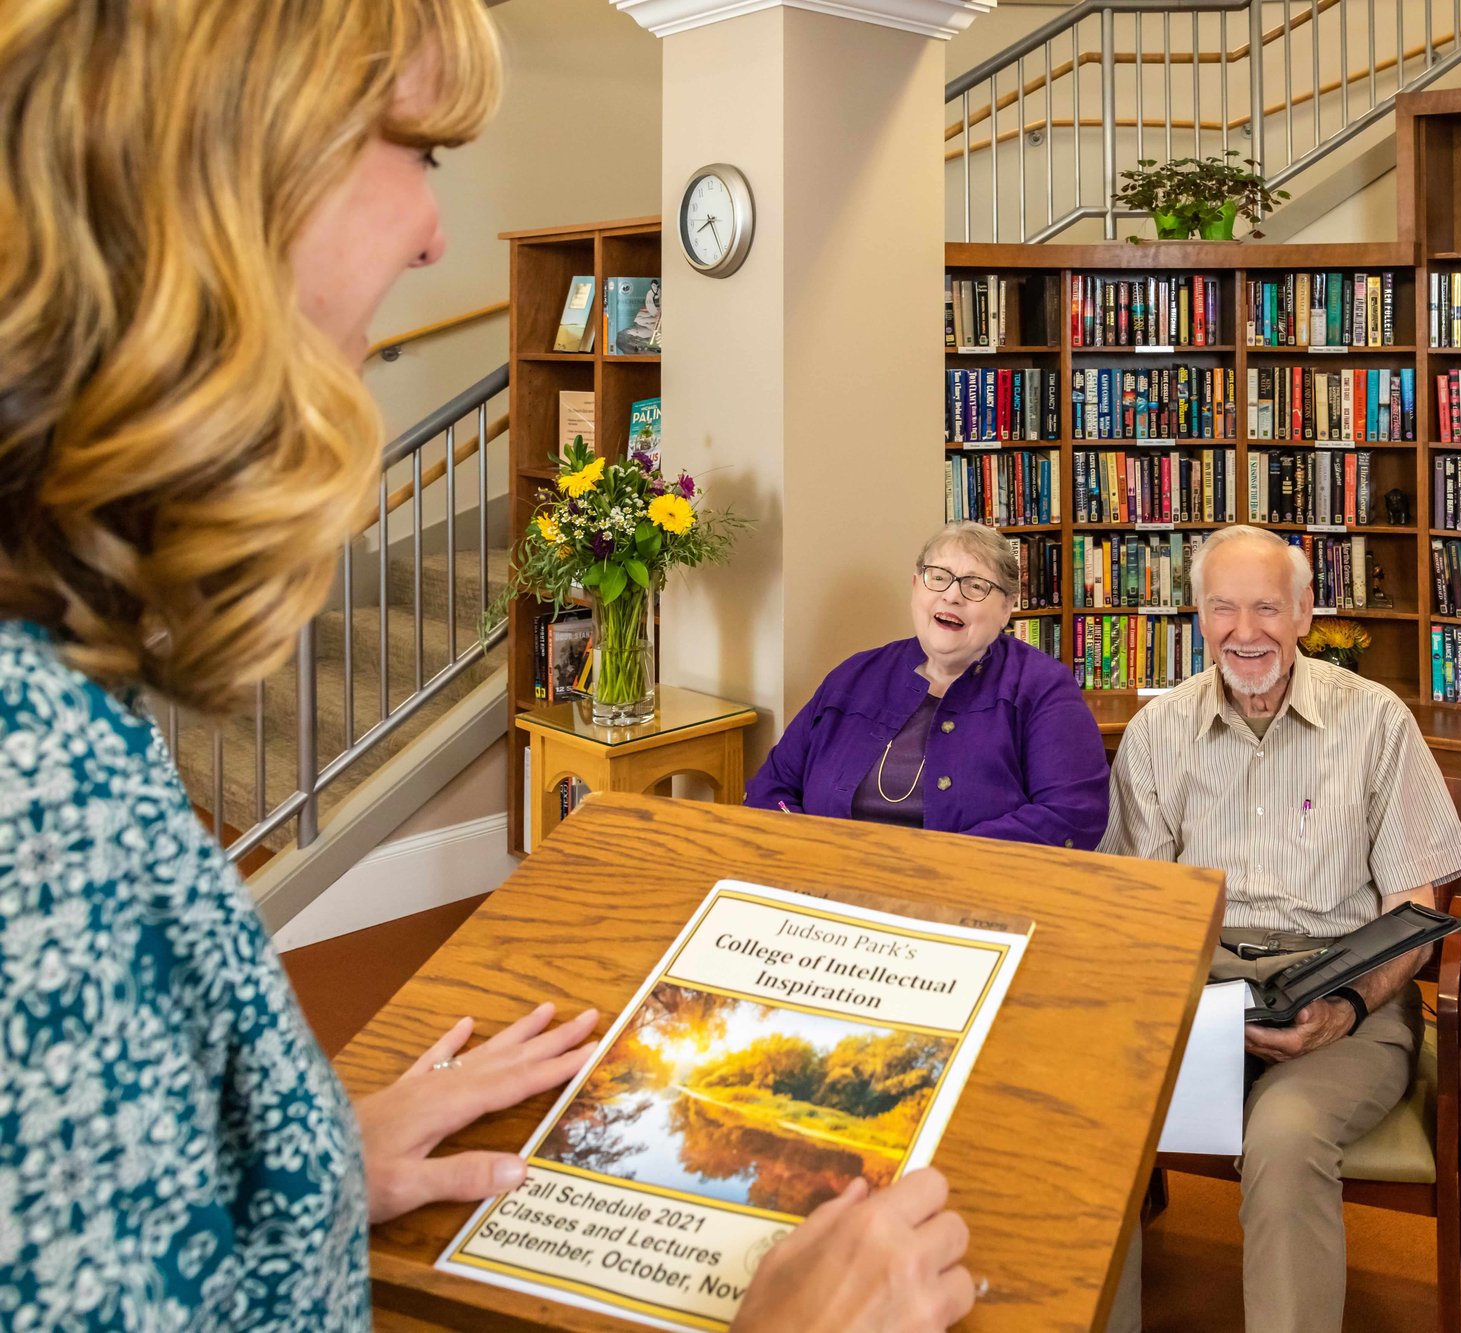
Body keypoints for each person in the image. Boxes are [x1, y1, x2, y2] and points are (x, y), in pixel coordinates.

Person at [0, 2, 969, 1327]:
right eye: (421, 153)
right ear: (230, 170)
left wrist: (306, 1172)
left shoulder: (61, 715)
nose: (435, 232)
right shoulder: (37, 791)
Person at [1097, 525, 1461, 1333]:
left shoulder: (1375, 721)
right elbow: (1138, 908)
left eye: (1267, 607)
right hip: (1200, 993)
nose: (1245, 631)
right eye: (1223, 608)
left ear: (1306, 611)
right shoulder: (1157, 733)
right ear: (1197, 617)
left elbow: (1411, 909)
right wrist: (1199, 1009)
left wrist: (1343, 1002)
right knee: (1099, 1115)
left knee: (1286, 1133)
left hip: (1347, 996)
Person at [747, 520, 1108, 848]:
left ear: (1007, 609)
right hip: (827, 886)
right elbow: (771, 788)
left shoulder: (1043, 688)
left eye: (976, 586)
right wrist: (804, 848)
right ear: (916, 585)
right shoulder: (854, 676)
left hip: (972, 896)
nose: (952, 595)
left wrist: (940, 860)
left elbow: (1072, 815)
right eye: (938, 576)